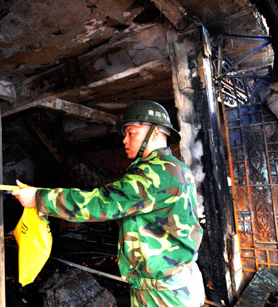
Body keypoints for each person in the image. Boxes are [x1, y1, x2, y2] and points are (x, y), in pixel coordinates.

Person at [12, 100, 205, 307]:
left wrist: (39, 198)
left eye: (131, 133)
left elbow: (101, 203)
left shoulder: (153, 173)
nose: (125, 140)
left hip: (163, 294)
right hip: (179, 282)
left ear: (156, 133)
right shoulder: (177, 167)